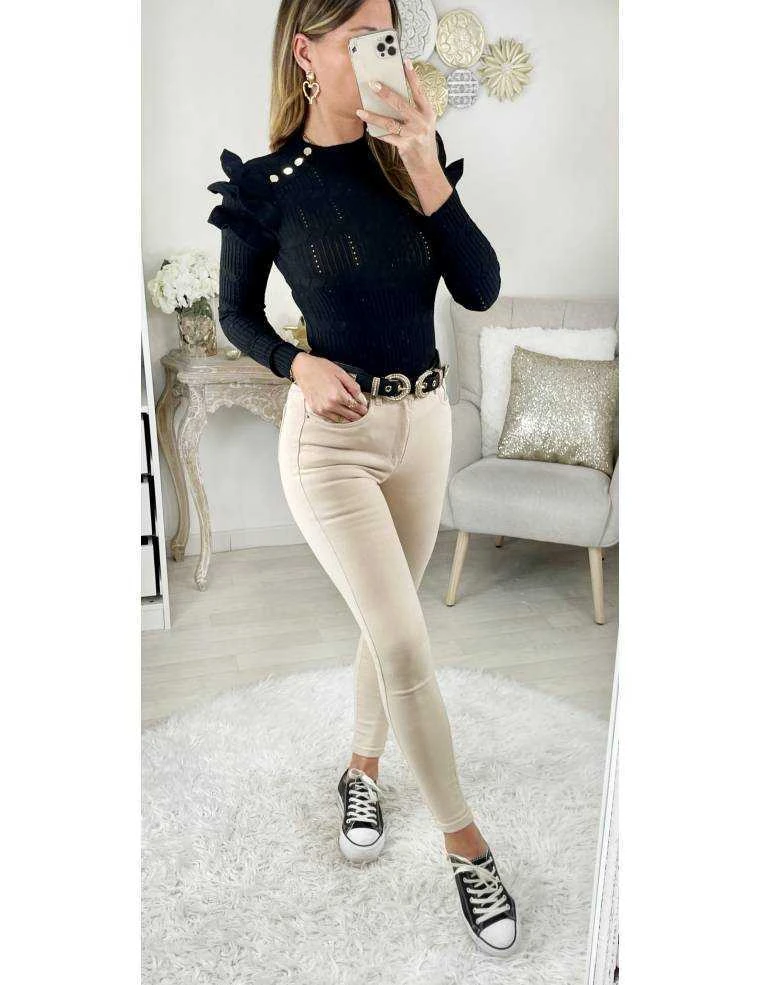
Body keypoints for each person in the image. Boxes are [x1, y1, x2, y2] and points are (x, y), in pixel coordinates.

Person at [207, 0, 518, 959]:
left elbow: (480, 288)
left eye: (392, 38)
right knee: (405, 639)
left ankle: (362, 766)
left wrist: (425, 162)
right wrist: (294, 362)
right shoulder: (270, 186)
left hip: (424, 428)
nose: (386, 56)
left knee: (388, 627)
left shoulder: (410, 162)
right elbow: (234, 312)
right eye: (361, 41)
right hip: (330, 447)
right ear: (306, 53)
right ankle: (467, 845)